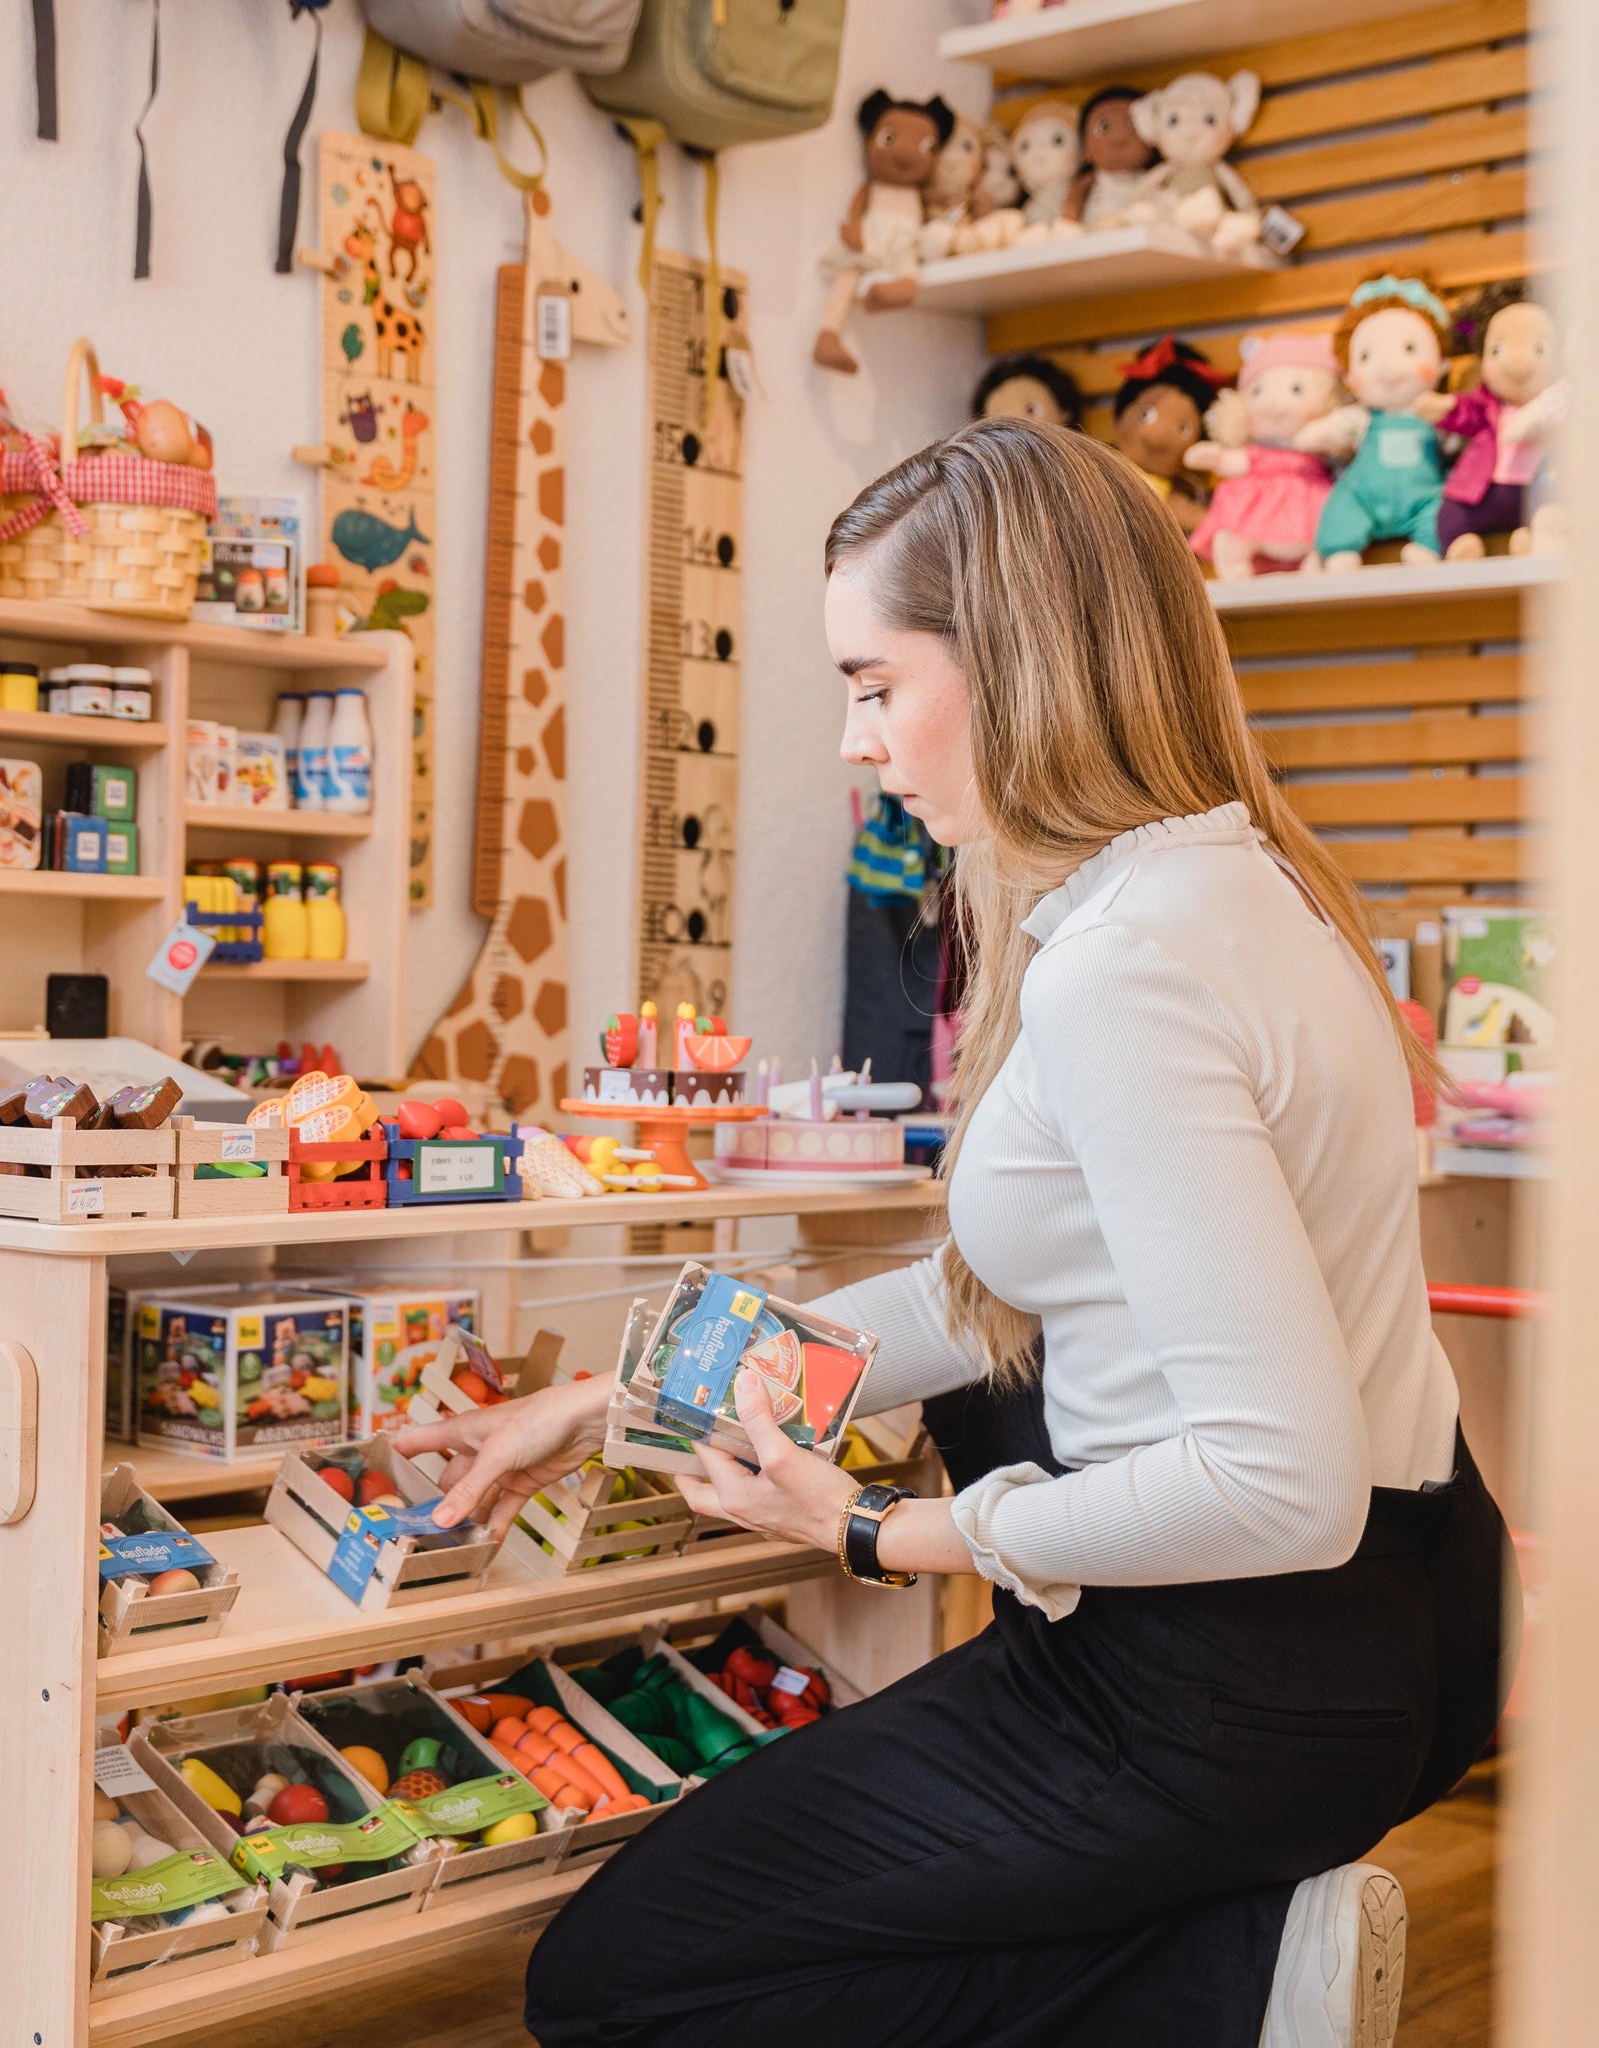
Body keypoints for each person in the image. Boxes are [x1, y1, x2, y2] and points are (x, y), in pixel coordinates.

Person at [391, 418, 1508, 2048]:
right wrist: (600, 1407)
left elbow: (1278, 1481)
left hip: (1232, 1677)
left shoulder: (1120, 969)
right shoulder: (1246, 889)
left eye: (872, 682)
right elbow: (997, 1293)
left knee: (620, 1985)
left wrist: (875, 1537)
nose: (856, 744)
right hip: (1409, 1622)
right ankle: (1232, 1951)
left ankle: (1228, 1980)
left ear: (1020, 661)